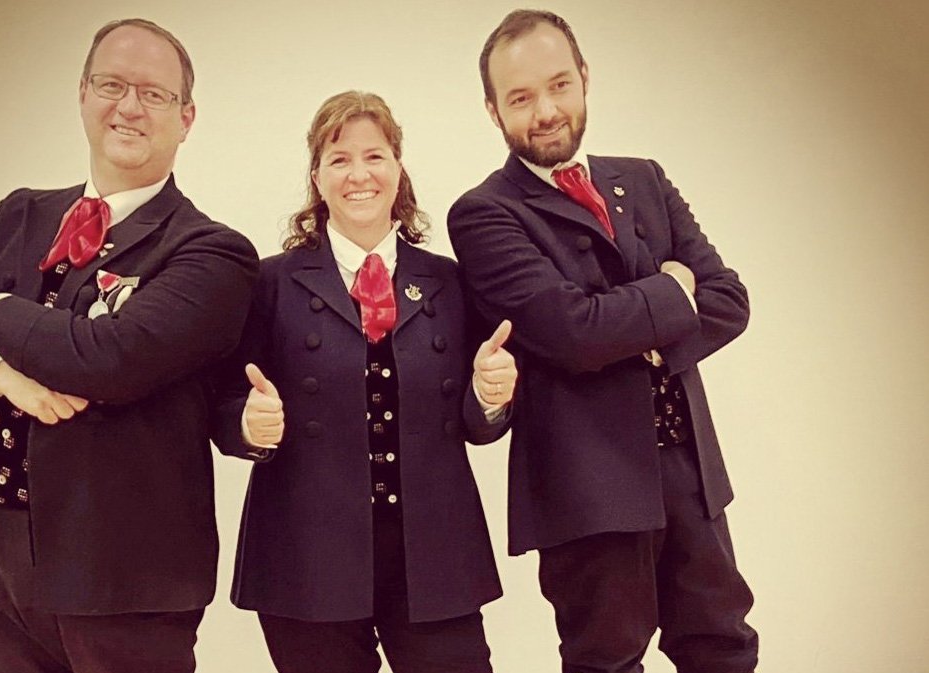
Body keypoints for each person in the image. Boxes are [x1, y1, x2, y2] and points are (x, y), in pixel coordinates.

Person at [0, 18, 258, 673]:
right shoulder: (20, 213)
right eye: (111, 84)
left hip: (121, 566)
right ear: (83, 93)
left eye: (153, 93)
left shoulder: (212, 251)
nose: (128, 107)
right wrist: (0, 375)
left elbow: (110, 360)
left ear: (186, 117)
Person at [447, 9, 759, 673]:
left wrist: (632, 329)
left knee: (725, 648)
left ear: (584, 78)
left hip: (690, 471)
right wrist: (671, 293)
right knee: (605, 662)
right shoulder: (483, 213)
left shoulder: (644, 178)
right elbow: (572, 334)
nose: (545, 111)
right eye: (520, 98)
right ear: (492, 110)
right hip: (587, 486)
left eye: (558, 85)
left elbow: (729, 301)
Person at [211, 90, 517, 673]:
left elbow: (479, 426)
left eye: (374, 156)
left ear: (398, 167)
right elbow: (221, 403)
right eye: (339, 159)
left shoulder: (452, 282)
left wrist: (489, 396)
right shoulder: (268, 284)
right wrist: (246, 425)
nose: (359, 174)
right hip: (307, 557)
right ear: (317, 177)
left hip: (435, 555)